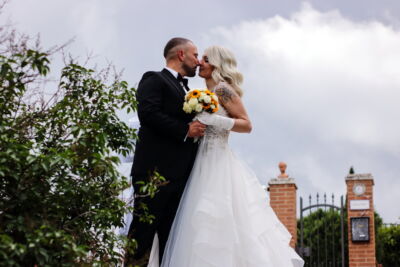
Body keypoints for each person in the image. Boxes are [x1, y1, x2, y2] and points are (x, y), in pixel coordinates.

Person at [155, 45, 304, 267]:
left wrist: (215, 120)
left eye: (205, 59)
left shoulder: (223, 89)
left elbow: (247, 124)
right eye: (200, 58)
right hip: (198, 162)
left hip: (219, 163)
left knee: (220, 221)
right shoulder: (202, 93)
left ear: (216, 63)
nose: (200, 63)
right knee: (197, 224)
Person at [125, 37, 206, 266]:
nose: (198, 61)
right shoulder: (154, 79)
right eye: (195, 55)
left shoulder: (187, 89)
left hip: (180, 177)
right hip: (154, 174)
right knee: (142, 234)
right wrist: (185, 130)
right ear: (181, 55)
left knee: (171, 240)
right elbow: (148, 114)